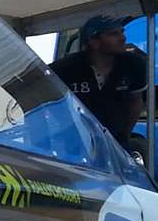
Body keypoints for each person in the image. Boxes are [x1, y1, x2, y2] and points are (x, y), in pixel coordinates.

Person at [52, 14, 148, 148]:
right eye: (113, 34)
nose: (122, 38)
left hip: (115, 140)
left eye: (122, 32)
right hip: (75, 142)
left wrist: (124, 134)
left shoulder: (134, 64)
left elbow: (135, 101)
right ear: (94, 42)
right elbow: (43, 100)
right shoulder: (63, 68)